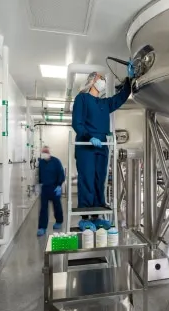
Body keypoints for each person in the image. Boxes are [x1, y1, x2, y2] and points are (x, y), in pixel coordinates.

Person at [72, 71, 132, 231]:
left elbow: (120, 98)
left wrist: (129, 79)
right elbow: (77, 123)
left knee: (100, 180)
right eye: (101, 78)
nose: (103, 81)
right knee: (88, 179)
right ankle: (85, 218)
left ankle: (97, 216)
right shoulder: (82, 99)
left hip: (103, 145)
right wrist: (89, 136)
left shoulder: (104, 103)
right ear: (92, 81)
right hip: (86, 145)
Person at [37, 146, 65, 236]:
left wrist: (59, 185)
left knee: (57, 206)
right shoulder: (41, 162)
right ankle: (42, 227)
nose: (44, 154)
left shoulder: (56, 161)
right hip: (45, 188)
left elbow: (61, 173)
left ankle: (59, 221)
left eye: (46, 152)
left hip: (55, 187)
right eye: (43, 152)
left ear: (49, 153)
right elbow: (40, 174)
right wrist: (39, 184)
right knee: (43, 208)